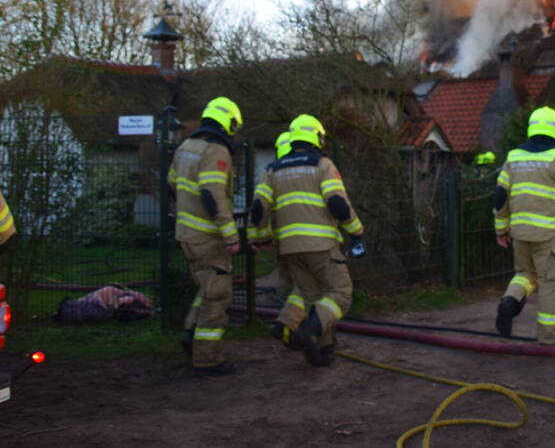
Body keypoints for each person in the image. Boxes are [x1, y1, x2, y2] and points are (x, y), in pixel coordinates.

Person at [250, 114, 365, 367]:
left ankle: (323, 352)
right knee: (341, 293)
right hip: (321, 245)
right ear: (316, 137)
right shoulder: (322, 165)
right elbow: (337, 203)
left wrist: (259, 238)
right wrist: (356, 231)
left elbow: (258, 208)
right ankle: (309, 331)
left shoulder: (272, 169)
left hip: (289, 248)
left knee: (314, 298)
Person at [493, 106, 555, 345]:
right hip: (548, 235)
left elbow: (500, 197)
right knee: (550, 283)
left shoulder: (514, 157)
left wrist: (501, 229)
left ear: (531, 128)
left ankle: (509, 301)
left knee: (524, 274)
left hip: (520, 231)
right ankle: (548, 338)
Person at [169, 96, 243, 376]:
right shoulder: (216, 151)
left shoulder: (186, 146)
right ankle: (207, 358)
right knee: (217, 296)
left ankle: (190, 335)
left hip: (186, 234)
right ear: (228, 122)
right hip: (207, 236)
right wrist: (230, 235)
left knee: (205, 288)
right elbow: (212, 196)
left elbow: (171, 184)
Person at [54, 285, 154, 324]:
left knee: (114, 294)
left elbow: (111, 307)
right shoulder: (113, 295)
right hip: (88, 307)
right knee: (115, 294)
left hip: (77, 308)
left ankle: (143, 303)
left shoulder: (110, 295)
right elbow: (112, 306)